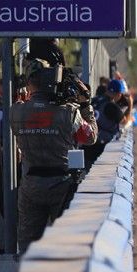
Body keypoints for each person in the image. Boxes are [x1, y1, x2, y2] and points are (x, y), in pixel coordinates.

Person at [10, 59, 97, 253]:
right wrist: (85, 106)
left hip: (30, 185)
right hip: (62, 185)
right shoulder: (69, 112)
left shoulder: (16, 111)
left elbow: (29, 110)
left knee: (27, 248)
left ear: (30, 83)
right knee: (64, 245)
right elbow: (90, 137)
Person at [84, 78, 127, 166]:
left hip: (85, 146)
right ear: (118, 94)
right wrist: (130, 104)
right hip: (100, 149)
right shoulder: (111, 106)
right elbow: (124, 122)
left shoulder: (93, 100)